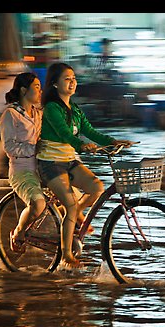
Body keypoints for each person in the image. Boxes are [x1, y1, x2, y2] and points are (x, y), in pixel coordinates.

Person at [37, 62, 132, 268]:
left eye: (74, 78)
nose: (72, 82)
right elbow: (63, 133)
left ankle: (73, 216)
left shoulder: (76, 109)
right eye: (67, 79)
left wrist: (113, 141)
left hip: (68, 161)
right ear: (54, 84)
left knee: (96, 187)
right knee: (71, 206)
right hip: (50, 163)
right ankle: (66, 255)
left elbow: (91, 132)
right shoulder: (52, 108)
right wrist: (81, 146)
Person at [0, 72, 46, 253]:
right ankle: (18, 232)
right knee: (38, 204)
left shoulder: (38, 113)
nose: (40, 91)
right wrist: (35, 149)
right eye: (36, 87)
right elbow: (9, 147)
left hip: (42, 167)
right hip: (22, 171)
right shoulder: (10, 115)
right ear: (24, 90)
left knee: (71, 194)